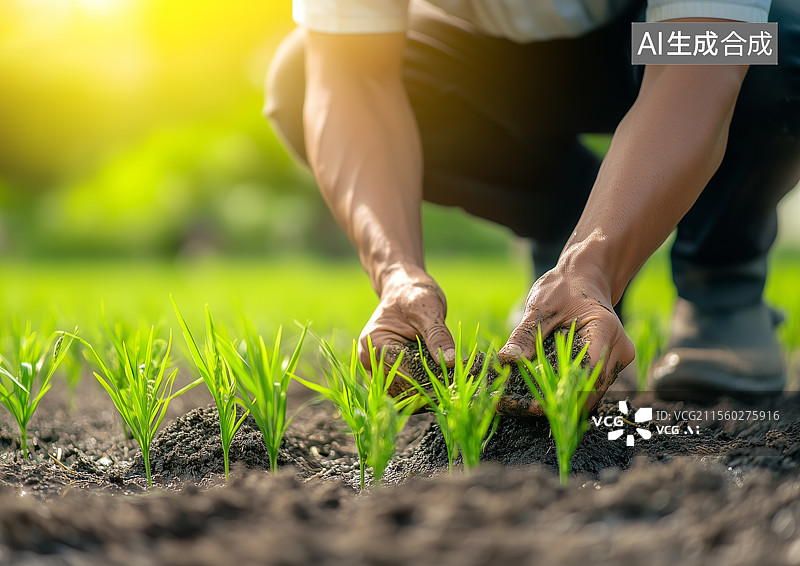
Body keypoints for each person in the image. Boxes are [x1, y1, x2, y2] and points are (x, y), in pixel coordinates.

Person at [266, 0, 800, 412]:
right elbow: (352, 74)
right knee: (300, 76)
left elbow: (698, 64)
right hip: (496, 61)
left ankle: (722, 283)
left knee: (774, 44)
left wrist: (594, 264)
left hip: (670, 36)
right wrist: (396, 272)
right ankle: (575, 228)